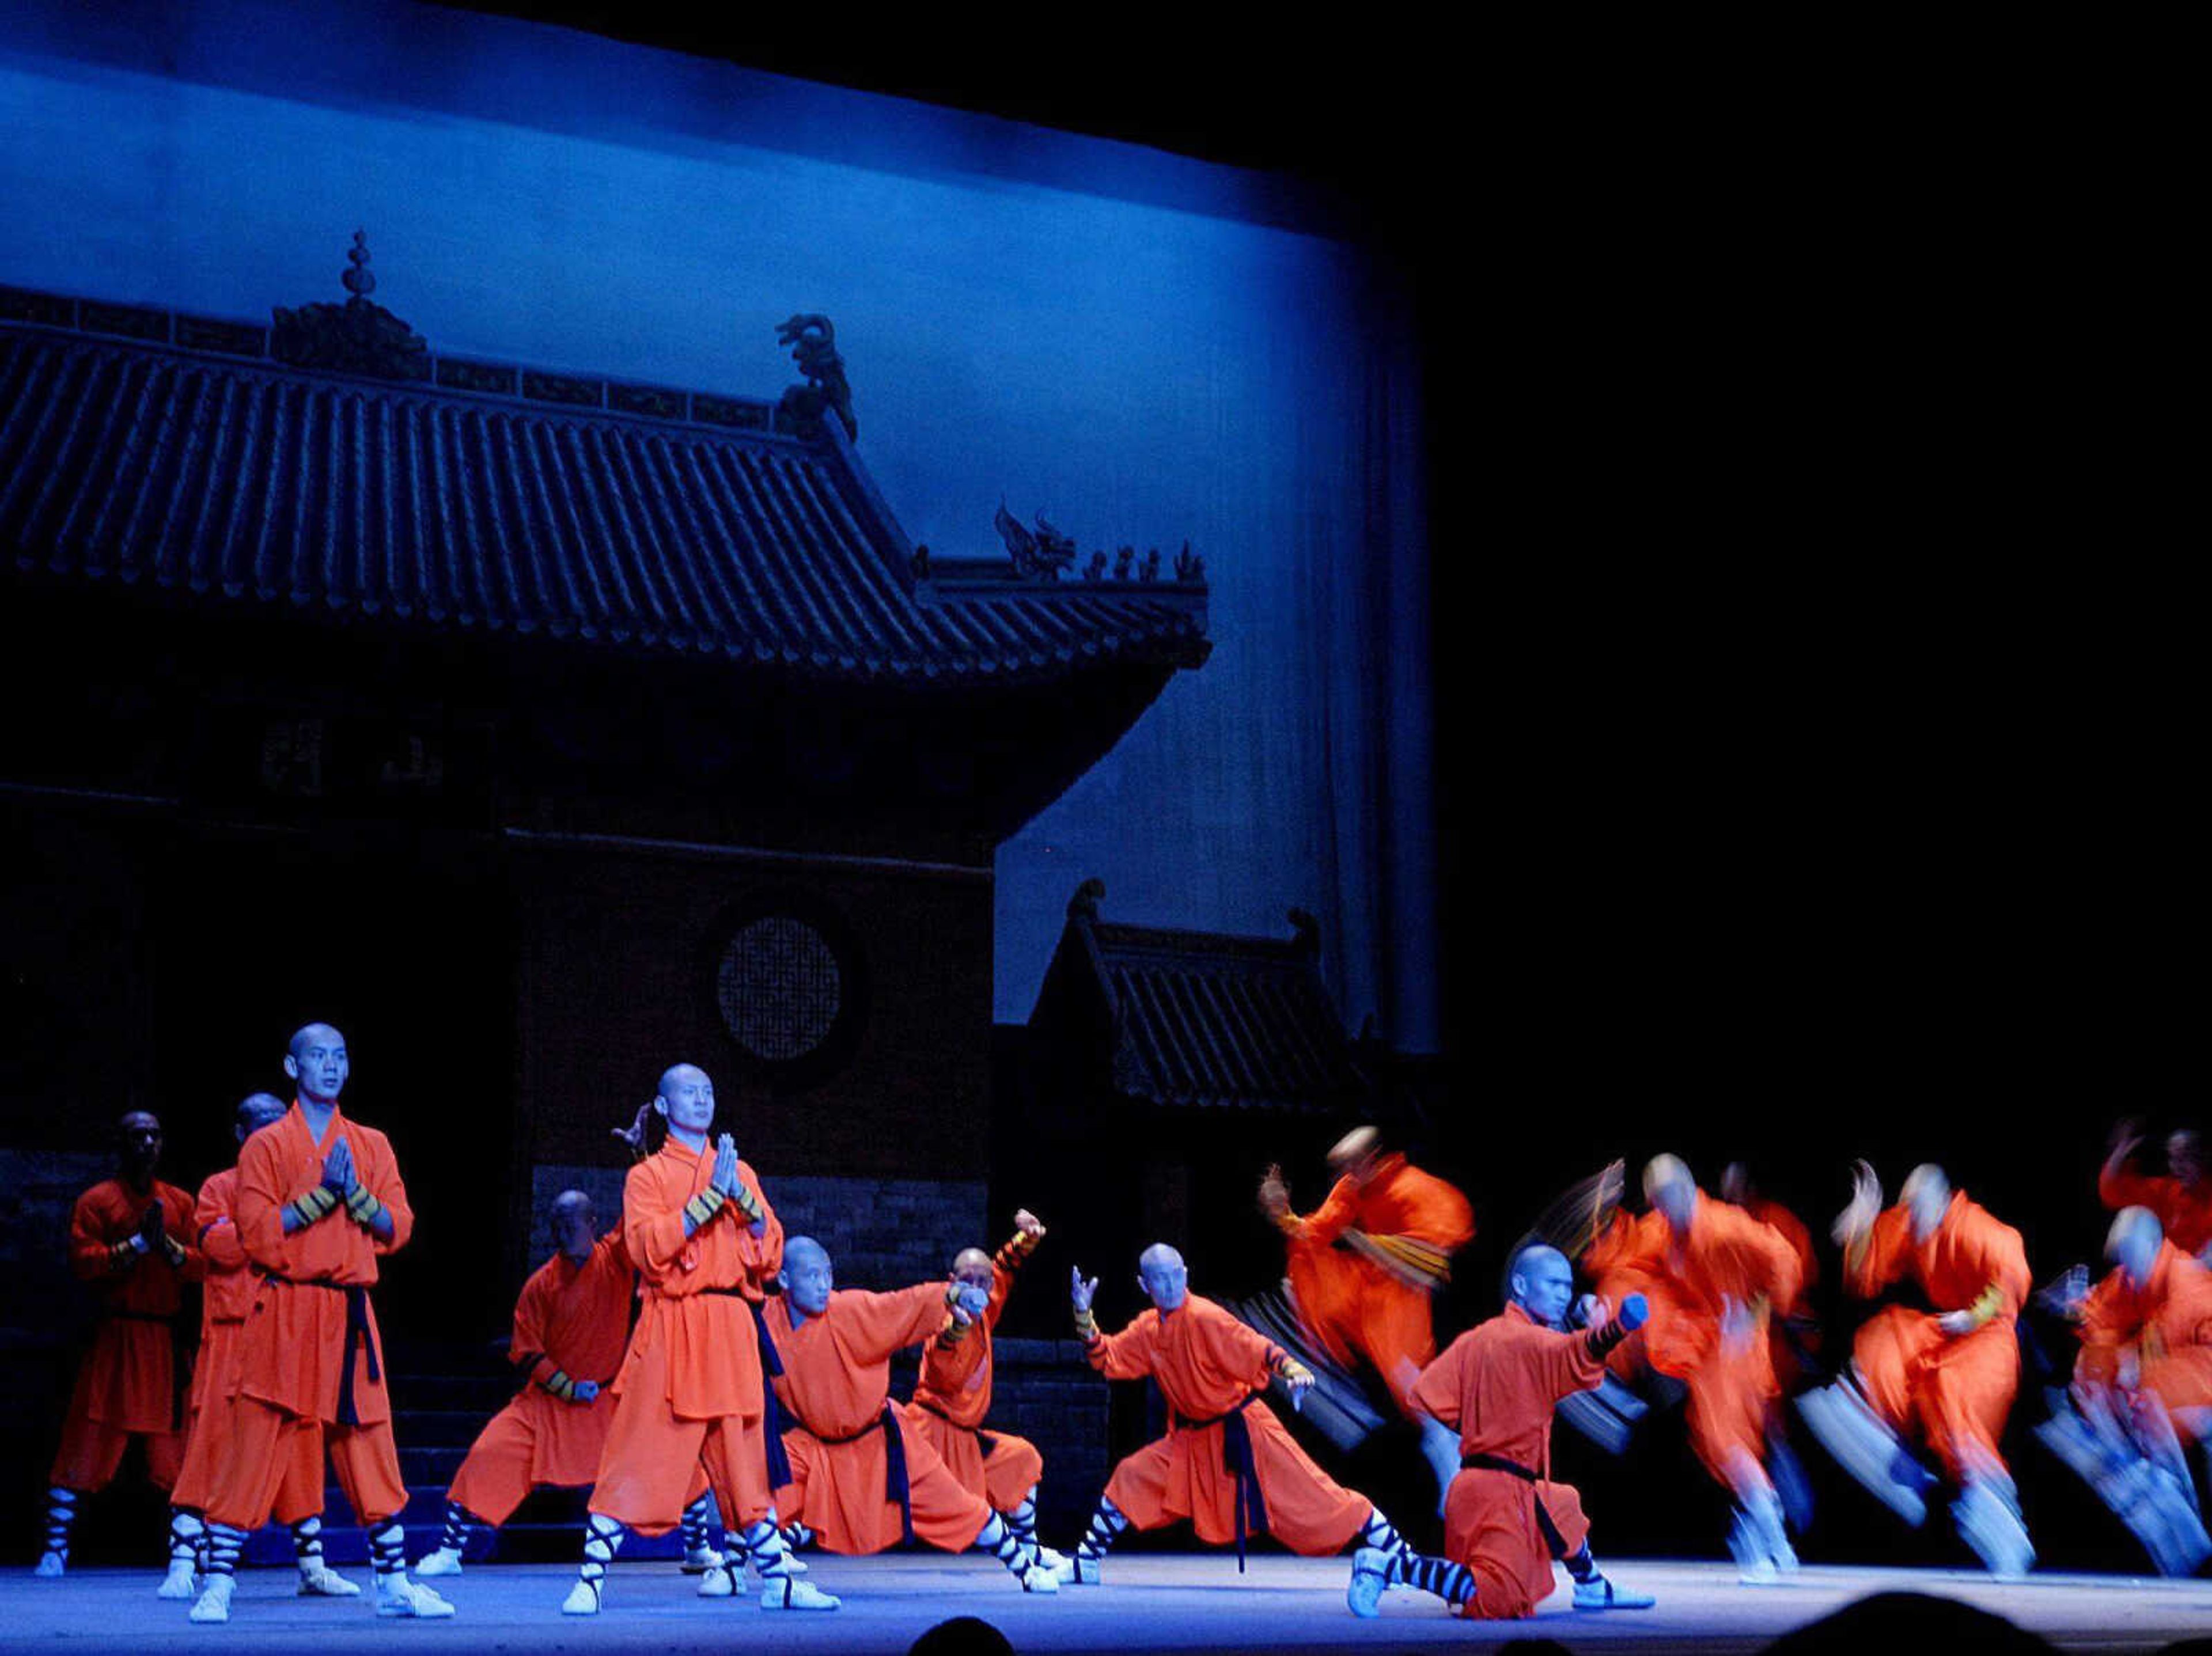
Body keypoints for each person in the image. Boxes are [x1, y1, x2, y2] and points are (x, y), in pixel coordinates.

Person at [189, 1025, 452, 1622]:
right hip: (285, 1307)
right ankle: (219, 1579)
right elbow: (254, 1233)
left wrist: (352, 1193)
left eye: (339, 1056)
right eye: (317, 1056)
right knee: (256, 1436)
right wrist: (321, 1200)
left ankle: (394, 1581)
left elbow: (398, 1225)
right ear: (292, 1065)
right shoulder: (266, 1146)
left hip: (349, 1310)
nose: (330, 1066)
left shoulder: (370, 1143)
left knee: (369, 1441)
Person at [560, 1064, 827, 1613]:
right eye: (689, 1091)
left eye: (709, 1090)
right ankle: (590, 1577)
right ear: (662, 1106)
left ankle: (775, 1579)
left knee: (743, 1456)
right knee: (638, 1445)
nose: (703, 1099)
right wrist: (708, 1201)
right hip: (675, 1322)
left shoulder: (740, 1170)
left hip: (730, 1325)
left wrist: (740, 1199)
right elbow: (646, 1248)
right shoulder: (648, 1176)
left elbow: (771, 1250)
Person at [1063, 1243, 1412, 1582]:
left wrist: (1292, 1370)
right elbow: (1106, 1357)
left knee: (1321, 1499)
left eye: (1175, 1276)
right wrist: (1083, 1314)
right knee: (1132, 1475)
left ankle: (1404, 1558)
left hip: (1248, 1435)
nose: (1170, 1286)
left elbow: (1256, 1346)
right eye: (1159, 1279)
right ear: (1144, 1285)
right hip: (1193, 1442)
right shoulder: (1147, 1328)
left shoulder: (1206, 1317)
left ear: (1185, 1274)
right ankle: (1085, 1563)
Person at [1347, 1244, 1654, 1620]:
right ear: (1521, 1285)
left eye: (1568, 1286)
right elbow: (1581, 1350)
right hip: (1499, 1494)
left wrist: (1480, 1427)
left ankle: (1591, 1584)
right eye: (1554, 1283)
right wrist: (1618, 1326)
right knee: (1499, 1598)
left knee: (1560, 1502)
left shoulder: (1478, 1338)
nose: (1564, 1293)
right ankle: (1389, 1566)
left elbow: (1424, 1395)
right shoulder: (1534, 1342)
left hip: (1485, 1485)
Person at [761, 1236, 1060, 1594]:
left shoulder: (850, 1310)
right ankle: (749, 1571)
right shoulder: (767, 1322)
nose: (825, 1285)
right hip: (818, 1447)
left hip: (881, 1441)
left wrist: (952, 1296)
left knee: (958, 1505)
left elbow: (904, 1304)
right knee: (760, 1485)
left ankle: (1024, 1567)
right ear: (784, 1281)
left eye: (828, 1274)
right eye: (813, 1276)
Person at [1797, 1161, 2035, 1577]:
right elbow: (1865, 1276)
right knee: (1886, 1335)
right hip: (1948, 1329)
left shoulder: (1977, 1227)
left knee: (1951, 1390)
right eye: (1910, 1209)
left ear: (1943, 1201)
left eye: (1922, 1208)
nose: (1914, 1219)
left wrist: (1975, 1315)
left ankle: (1997, 1514)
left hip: (1991, 1334)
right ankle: (1880, 1426)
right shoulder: (1910, 1222)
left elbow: (2011, 1276)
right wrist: (1859, 1226)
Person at [164, 1093, 355, 1601]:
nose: (273, 1136)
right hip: (232, 1336)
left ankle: (312, 1565)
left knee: (303, 1444)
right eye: (262, 1126)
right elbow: (218, 1247)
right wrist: (276, 1228)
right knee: (214, 1441)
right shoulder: (221, 1187)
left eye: (280, 1126)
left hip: (291, 1332)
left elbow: (319, 1251)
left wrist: (280, 1225)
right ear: (240, 1131)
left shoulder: (303, 1187)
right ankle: (185, 1556)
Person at [1585, 1154, 1803, 1581]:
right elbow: (1625, 1264)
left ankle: (1769, 1531)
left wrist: (1756, 1308)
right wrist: (1602, 1307)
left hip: (1737, 1339)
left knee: (1724, 1436)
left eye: (1671, 1198)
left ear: (1688, 1189)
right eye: (1659, 1202)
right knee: (1713, 1439)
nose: (1667, 1209)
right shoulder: (1662, 1230)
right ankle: (1772, 1535)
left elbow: (1783, 1260)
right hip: (1700, 1339)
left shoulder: (1727, 1226)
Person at [416, 1191, 632, 1577]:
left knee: (668, 1458)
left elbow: (640, 1214)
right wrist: (567, 1386)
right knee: (488, 1452)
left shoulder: (616, 1261)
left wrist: (641, 1157)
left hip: (606, 1402)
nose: (564, 1232)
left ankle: (700, 1546)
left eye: (572, 1223)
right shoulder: (541, 1284)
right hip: (548, 1404)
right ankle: (451, 1548)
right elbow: (527, 1349)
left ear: (593, 1224)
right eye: (557, 1224)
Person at [37, 1110, 202, 1579]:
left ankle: (189, 1552)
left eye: (154, 1134)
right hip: (115, 1336)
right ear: (121, 1143)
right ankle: (55, 1547)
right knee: (86, 1441)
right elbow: (83, 1260)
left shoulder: (179, 1202)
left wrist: (166, 1248)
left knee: (177, 1452)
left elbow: (203, 1263)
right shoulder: (97, 1200)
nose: (146, 1142)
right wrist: (133, 1245)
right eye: (137, 1135)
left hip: (162, 1340)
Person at [1258, 1127, 1474, 1432]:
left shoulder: (1414, 1187)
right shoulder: (1351, 1188)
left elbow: (1433, 1258)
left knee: (1406, 1372)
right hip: (1380, 1285)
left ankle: (1438, 1427)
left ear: (1370, 1158)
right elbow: (1316, 1231)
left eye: (1348, 1165)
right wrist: (1282, 1214)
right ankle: (1343, 1385)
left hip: (1419, 1287)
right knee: (1305, 1264)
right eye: (1338, 1169)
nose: (1342, 1175)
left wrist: (1364, 1242)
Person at [2035, 1206, 2212, 1574]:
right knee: (2096, 1368)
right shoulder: (2133, 1277)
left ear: (2151, 1245)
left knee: (2139, 1384)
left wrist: (2125, 1370)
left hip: (2202, 1372)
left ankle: (2163, 1474)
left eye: (2129, 1256)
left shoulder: (2185, 1280)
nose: (2125, 1268)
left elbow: (2162, 1340)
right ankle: (2151, 1474)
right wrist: (2072, 1310)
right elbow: (2101, 1313)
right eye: (2121, 1260)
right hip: (2170, 1381)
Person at [900, 1209, 1065, 1572]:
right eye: (966, 1280)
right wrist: (956, 1328)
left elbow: (1002, 1269)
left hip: (965, 1439)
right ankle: (779, 1545)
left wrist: (1028, 1237)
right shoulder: (945, 1319)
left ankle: (1029, 1548)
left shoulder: (984, 1311)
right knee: (871, 1489)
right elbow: (943, 1353)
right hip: (927, 1434)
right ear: (951, 1282)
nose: (976, 1288)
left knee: (1020, 1458)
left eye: (982, 1281)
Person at [2100, 1120, 2212, 1259]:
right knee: (2130, 1219)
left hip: (2205, 1274)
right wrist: (2120, 1152)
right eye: (2173, 1158)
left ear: (2203, 1157)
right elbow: (2113, 1193)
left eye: (2185, 1157)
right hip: (2173, 1274)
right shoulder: (2167, 1190)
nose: (2178, 1166)